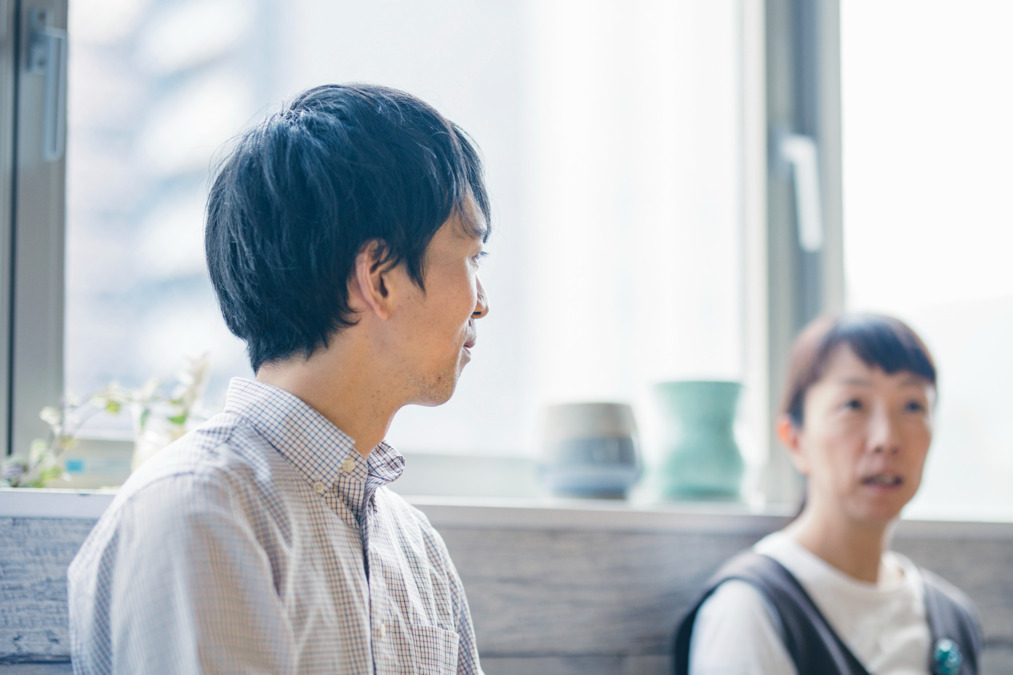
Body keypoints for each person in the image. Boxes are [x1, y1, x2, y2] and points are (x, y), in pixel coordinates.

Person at [68, 84, 491, 674]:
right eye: (469, 255)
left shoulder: (413, 545)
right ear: (380, 277)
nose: (481, 303)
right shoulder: (199, 512)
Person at [673, 313, 983, 675]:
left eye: (913, 406)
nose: (886, 439)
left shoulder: (952, 616)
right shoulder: (751, 609)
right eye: (853, 405)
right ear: (794, 439)